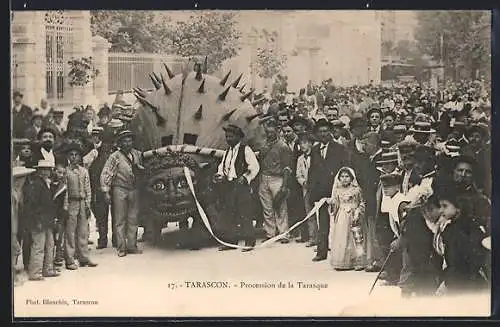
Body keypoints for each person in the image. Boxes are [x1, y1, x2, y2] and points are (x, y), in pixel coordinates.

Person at [308, 118, 350, 262]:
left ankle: (340, 253)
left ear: (331, 132)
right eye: (320, 132)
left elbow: (345, 169)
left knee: (339, 221)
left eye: (326, 131)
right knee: (323, 222)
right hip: (321, 193)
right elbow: (312, 171)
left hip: (336, 191)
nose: (323, 134)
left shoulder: (339, 149)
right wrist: (312, 192)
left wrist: (342, 189)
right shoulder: (314, 150)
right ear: (317, 134)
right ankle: (322, 251)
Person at [214, 124, 260, 252]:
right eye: (227, 136)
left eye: (231, 136)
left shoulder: (245, 149)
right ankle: (230, 242)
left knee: (245, 213)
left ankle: (249, 242)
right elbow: (223, 167)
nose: (228, 139)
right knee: (229, 213)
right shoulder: (228, 151)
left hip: (241, 186)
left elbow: (254, 166)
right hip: (229, 185)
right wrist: (220, 175)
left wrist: (245, 177)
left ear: (238, 137)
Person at [435, 189, 490, 295]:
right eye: (440, 206)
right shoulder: (451, 227)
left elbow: (461, 261)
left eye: (445, 206)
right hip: (456, 278)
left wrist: (448, 282)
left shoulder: (464, 229)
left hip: (464, 281)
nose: (441, 210)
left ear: (458, 207)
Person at [101, 130, 144, 257]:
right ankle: (121, 248)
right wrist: (106, 191)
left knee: (133, 218)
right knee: (120, 219)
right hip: (120, 189)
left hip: (134, 189)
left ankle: (132, 246)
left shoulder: (137, 154)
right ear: (120, 143)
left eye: (129, 140)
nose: (127, 143)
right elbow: (106, 173)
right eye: (124, 141)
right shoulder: (115, 156)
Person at [257, 116, 293, 244]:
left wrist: (284, 185)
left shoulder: (283, 146)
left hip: (277, 178)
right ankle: (270, 233)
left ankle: (284, 233)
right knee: (267, 208)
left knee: (280, 207)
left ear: (277, 131)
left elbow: (287, 168)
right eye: (267, 132)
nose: (269, 134)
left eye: (272, 132)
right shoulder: (263, 145)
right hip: (264, 177)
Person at [23, 160, 60, 280]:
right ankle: (35, 272)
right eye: (43, 169)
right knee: (39, 246)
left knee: (50, 245)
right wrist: (37, 220)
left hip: (47, 220)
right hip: (39, 220)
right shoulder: (37, 184)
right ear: (38, 171)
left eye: (48, 169)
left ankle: (47, 269)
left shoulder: (46, 183)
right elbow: (32, 205)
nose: (46, 171)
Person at [63, 143, 97, 269]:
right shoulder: (66, 172)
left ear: (80, 157)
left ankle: (83, 257)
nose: (74, 157)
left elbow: (88, 189)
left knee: (83, 231)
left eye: (76, 155)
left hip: (82, 203)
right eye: (71, 155)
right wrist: (65, 206)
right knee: (70, 232)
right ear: (68, 157)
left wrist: (88, 205)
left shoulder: (84, 171)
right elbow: (65, 190)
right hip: (71, 202)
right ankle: (70, 259)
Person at [327, 167, 365, 271]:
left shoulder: (356, 190)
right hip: (342, 217)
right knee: (341, 237)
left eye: (347, 176)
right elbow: (336, 205)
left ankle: (357, 261)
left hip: (353, 216)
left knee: (355, 238)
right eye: (342, 177)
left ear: (352, 178)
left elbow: (361, 202)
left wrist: (357, 211)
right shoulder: (337, 191)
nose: (344, 179)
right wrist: (332, 203)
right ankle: (342, 261)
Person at [12, 165, 36, 286]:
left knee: (19, 246)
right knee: (14, 248)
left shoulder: (22, 191)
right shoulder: (13, 194)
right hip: (14, 226)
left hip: (22, 222)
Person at [295, 132, 316, 247]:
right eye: (301, 143)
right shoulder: (300, 159)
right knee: (310, 214)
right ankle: (313, 238)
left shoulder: (316, 156)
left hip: (317, 189)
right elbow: (298, 175)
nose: (302, 145)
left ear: (311, 144)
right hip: (306, 189)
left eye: (305, 143)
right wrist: (304, 182)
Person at [52, 158, 68, 268]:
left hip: (60, 214)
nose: (61, 175)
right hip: (50, 214)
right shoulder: (49, 184)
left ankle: (58, 257)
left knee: (59, 236)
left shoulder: (64, 186)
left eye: (63, 173)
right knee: (51, 238)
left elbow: (65, 201)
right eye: (59, 172)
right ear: (54, 171)